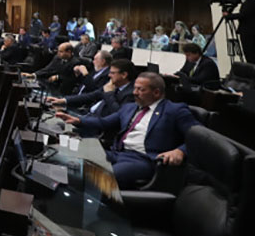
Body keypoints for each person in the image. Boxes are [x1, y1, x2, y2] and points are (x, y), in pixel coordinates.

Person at [64, 73, 199, 189]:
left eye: (140, 90)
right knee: (71, 158)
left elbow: (199, 137)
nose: (134, 93)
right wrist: (78, 121)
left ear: (156, 92)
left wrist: (180, 151)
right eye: (134, 88)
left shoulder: (175, 110)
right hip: (117, 153)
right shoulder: (130, 107)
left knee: (101, 176)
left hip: (142, 160)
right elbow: (104, 122)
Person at [50, 59, 136, 118]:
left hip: (98, 127)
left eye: (113, 73)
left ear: (124, 75)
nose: (109, 75)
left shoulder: (131, 93)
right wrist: (63, 100)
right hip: (87, 114)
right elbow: (91, 95)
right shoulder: (114, 85)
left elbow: (119, 114)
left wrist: (108, 94)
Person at [225, 0, 255, 65]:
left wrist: (229, 16)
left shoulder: (251, 1)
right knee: (248, 50)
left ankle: (252, 68)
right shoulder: (250, 0)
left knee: (249, 51)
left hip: (248, 30)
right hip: (248, 30)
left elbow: (243, 15)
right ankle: (251, 67)